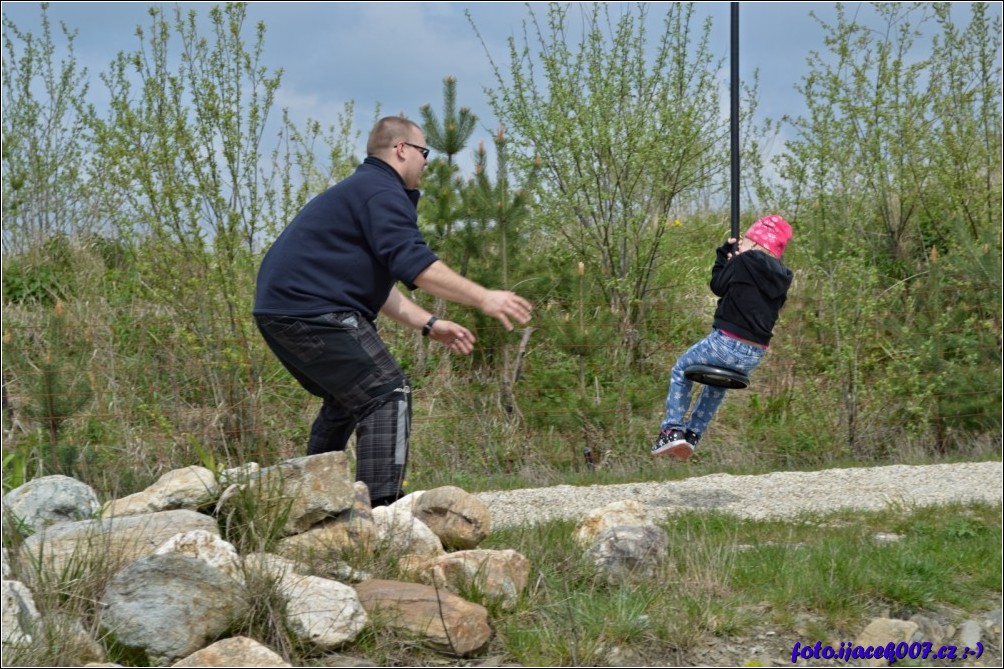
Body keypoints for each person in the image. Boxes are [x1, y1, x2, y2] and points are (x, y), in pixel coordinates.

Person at [253, 116, 533, 507]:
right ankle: (384, 513)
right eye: (424, 153)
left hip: (285, 309)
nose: (427, 163)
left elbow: (376, 286)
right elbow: (416, 265)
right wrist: (484, 297)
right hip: (311, 309)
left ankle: (308, 502)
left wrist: (429, 323)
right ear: (401, 149)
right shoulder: (380, 192)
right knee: (387, 392)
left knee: (348, 398)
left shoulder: (363, 191)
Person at [652, 214, 793, 460]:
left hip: (726, 342)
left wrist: (723, 255)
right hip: (755, 353)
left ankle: (672, 430)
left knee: (681, 369)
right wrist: (735, 264)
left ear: (758, 244)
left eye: (746, 241)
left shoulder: (744, 260)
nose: (741, 245)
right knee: (717, 383)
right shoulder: (783, 277)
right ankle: (693, 433)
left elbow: (718, 285)